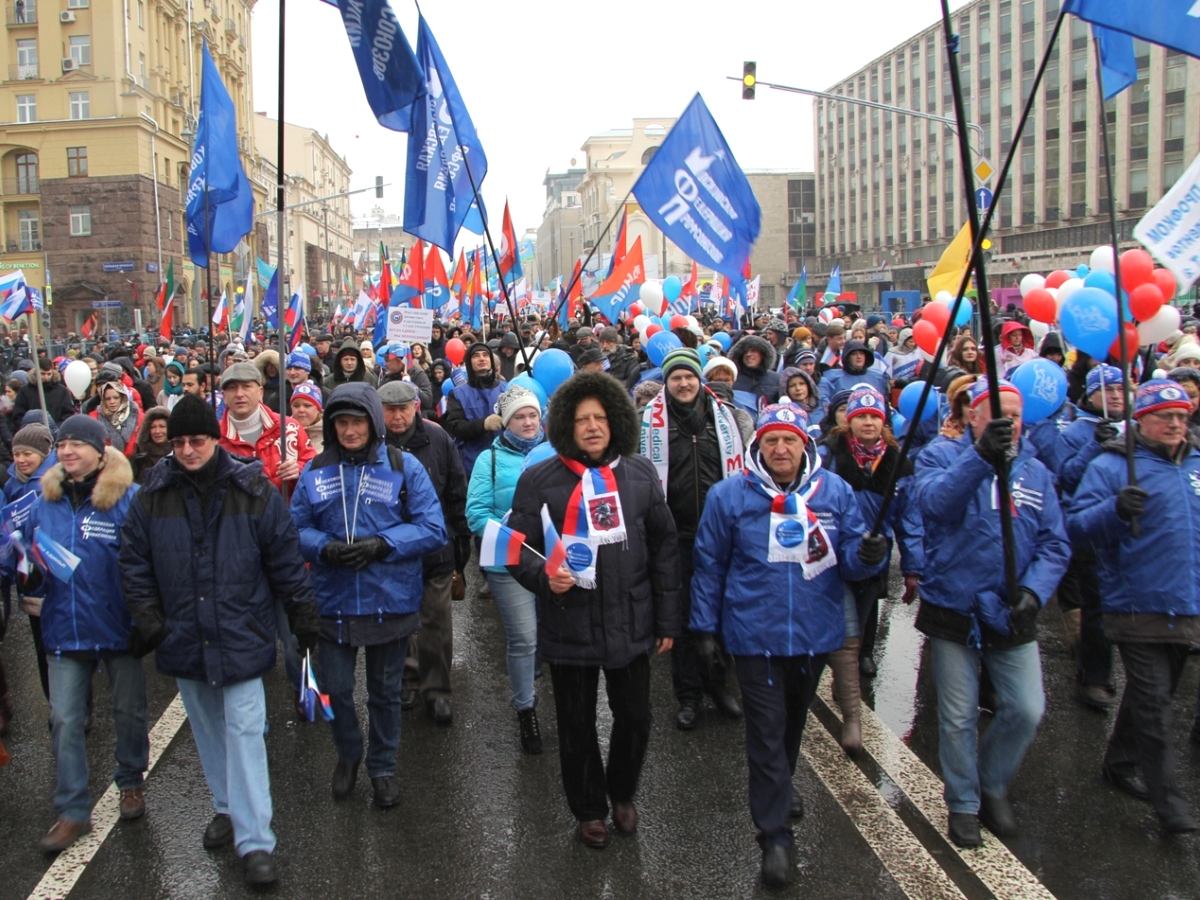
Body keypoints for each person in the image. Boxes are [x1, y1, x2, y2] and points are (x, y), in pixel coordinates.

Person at [120, 395, 321, 885]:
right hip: (184, 634)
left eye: (198, 440)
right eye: (181, 441)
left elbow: (283, 556)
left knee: (246, 732)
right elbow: (135, 560)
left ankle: (255, 841)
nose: (188, 449)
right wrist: (151, 620)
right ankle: (226, 807)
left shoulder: (253, 488)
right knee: (209, 731)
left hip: (241, 631)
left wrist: (301, 610)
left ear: (214, 439)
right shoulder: (152, 493)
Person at [691, 402, 887, 886]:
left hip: (815, 634)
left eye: (790, 440)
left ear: (806, 445)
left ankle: (782, 780)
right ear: (758, 445)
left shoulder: (835, 492)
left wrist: (868, 557)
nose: (781, 449)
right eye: (772, 441)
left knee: (791, 724)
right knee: (765, 729)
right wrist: (704, 630)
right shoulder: (729, 496)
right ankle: (774, 835)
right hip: (753, 635)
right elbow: (709, 564)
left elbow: (853, 563)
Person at [507, 371, 681, 849]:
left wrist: (668, 618)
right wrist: (544, 577)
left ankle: (622, 791)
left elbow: (665, 548)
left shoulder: (640, 473)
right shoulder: (538, 479)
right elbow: (512, 548)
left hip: (632, 619)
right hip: (570, 623)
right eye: (581, 419)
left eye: (600, 418)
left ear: (616, 422)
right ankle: (588, 808)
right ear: (566, 424)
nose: (591, 427)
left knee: (636, 717)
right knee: (576, 724)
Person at [914, 379, 1070, 848]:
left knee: (1025, 707)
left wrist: (1035, 592)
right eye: (998, 412)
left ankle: (993, 781)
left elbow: (1055, 542)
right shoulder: (940, 456)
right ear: (974, 416)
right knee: (958, 715)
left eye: (1017, 413)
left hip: (1011, 610)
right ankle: (963, 801)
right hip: (954, 604)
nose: (1010, 421)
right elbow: (935, 505)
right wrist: (979, 459)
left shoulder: (1036, 473)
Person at [290, 384, 447, 808]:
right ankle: (348, 755)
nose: (349, 429)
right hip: (333, 600)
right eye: (341, 422)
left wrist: (383, 544)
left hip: (389, 599)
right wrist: (323, 546)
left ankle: (383, 766)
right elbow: (295, 529)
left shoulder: (403, 465)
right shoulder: (316, 469)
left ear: (373, 422)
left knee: (384, 691)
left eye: (357, 420)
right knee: (336, 689)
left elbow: (433, 528)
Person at [1067, 380, 1200, 834]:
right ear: (1142, 418)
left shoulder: (1195, 464)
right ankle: (1170, 806)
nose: (1177, 425)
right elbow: (1078, 529)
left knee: (1151, 697)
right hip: (1134, 604)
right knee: (1155, 703)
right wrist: (1117, 511)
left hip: (1186, 606)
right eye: (1167, 416)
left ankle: (1120, 762)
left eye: (1183, 416)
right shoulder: (1111, 467)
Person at [26, 415, 148, 853]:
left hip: (118, 626)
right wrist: (27, 575)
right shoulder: (43, 503)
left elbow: (145, 562)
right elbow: (28, 561)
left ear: (101, 451)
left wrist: (146, 618)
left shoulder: (128, 499)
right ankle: (73, 809)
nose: (67, 452)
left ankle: (131, 781)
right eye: (61, 446)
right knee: (64, 720)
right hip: (63, 627)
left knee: (129, 713)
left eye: (77, 444)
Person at [638, 348, 744, 731]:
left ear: (700, 379)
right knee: (680, 619)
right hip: (674, 536)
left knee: (720, 616)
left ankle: (719, 687)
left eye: (689, 376)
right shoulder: (648, 424)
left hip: (720, 536)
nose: (683, 383)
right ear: (666, 383)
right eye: (675, 377)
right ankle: (688, 696)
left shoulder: (728, 420)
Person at [819, 388, 923, 751]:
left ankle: (844, 674)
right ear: (849, 420)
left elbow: (910, 518)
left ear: (884, 421)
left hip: (873, 558)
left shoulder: (898, 460)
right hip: (831, 555)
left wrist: (912, 568)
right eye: (860, 415)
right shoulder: (830, 454)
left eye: (874, 416)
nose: (867, 421)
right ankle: (851, 714)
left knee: (860, 624)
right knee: (845, 634)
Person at [379, 381, 469, 725]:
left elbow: (456, 489)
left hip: (435, 550)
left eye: (404, 408)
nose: (397, 416)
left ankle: (438, 690)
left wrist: (461, 542)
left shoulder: (438, 438)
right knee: (398, 621)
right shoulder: (372, 442)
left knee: (436, 623)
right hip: (390, 550)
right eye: (390, 409)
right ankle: (407, 678)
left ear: (416, 406)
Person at [466, 386, 548, 753]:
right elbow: (476, 513)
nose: (528, 422)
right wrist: (513, 535)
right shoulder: (490, 460)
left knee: (553, 637)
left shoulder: (555, 454)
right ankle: (526, 710)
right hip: (508, 563)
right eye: (520, 416)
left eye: (532, 415)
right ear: (507, 422)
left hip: (554, 560)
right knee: (524, 638)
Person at [1054, 364, 1126, 709]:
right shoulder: (1075, 431)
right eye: (1108, 390)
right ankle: (1095, 676)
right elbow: (1065, 476)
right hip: (1090, 528)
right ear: (1092, 393)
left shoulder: (1136, 428)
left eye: (1120, 390)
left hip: (1128, 531)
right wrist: (1094, 447)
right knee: (1096, 607)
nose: (1115, 396)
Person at [0, 422, 56, 728]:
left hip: (55, 572)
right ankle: (54, 703)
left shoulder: (55, 479)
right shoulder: (10, 487)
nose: (21, 459)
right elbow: (7, 532)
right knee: (40, 646)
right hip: (28, 576)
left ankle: (75, 704)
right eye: (16, 453)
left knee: (65, 644)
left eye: (27, 454)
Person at [442, 342, 506, 478]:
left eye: (485, 355)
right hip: (473, 465)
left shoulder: (506, 388)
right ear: (469, 362)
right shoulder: (458, 394)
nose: (482, 358)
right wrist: (483, 425)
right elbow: (456, 427)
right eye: (476, 356)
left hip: (504, 462)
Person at [817, 340, 889, 414]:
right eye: (854, 354)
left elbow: (885, 403)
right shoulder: (832, 378)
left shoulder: (878, 377)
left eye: (861, 353)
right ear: (847, 357)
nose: (859, 356)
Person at [13, 357, 78, 426]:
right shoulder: (24, 391)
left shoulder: (61, 390)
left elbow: (68, 413)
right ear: (36, 372)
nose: (46, 377)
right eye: (42, 374)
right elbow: (18, 416)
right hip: (33, 432)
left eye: (49, 374)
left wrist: (57, 428)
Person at [727, 335, 781, 408]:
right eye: (745, 351)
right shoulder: (732, 377)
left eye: (753, 351)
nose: (748, 354)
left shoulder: (776, 379)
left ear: (763, 354)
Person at [131, 406, 171, 484]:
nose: (157, 431)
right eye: (153, 427)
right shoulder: (140, 457)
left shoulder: (177, 454)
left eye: (162, 426)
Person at [289, 382, 325, 454]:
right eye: (296, 406)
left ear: (318, 409)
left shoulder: (331, 434)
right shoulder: (283, 433)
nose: (301, 410)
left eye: (307, 406)